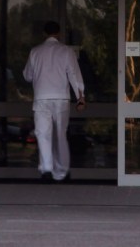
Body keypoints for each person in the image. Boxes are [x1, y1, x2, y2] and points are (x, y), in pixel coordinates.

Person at [22, 20, 85, 182]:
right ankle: (62, 171)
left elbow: (27, 75)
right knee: (60, 135)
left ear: (44, 34)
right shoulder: (66, 51)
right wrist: (80, 97)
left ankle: (47, 170)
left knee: (43, 134)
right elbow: (74, 74)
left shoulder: (35, 52)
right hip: (61, 98)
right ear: (59, 34)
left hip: (42, 98)